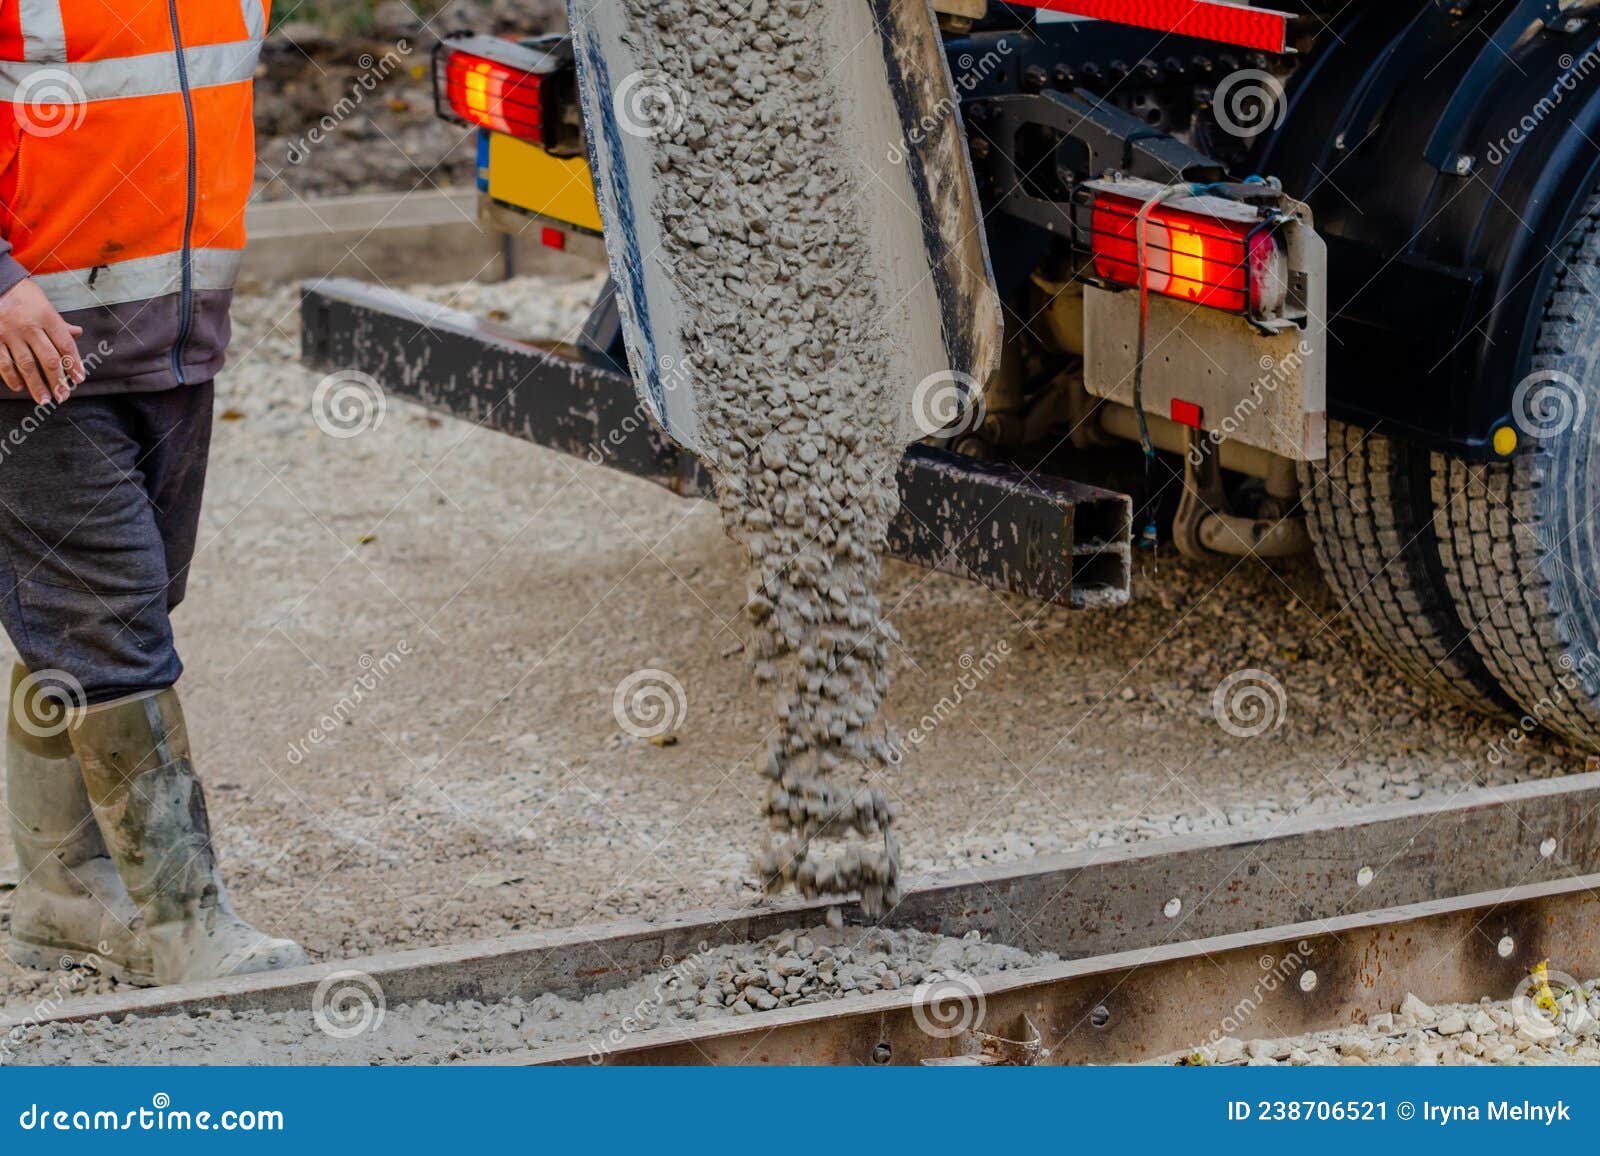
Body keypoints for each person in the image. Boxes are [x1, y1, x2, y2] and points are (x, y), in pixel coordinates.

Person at [0, 1, 305, 985]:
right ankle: (186, 925)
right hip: (30, 348)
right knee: (111, 617)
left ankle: (64, 890)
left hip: (171, 339)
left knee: (109, 609)